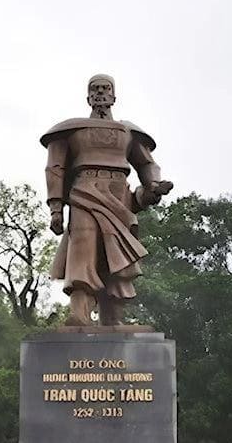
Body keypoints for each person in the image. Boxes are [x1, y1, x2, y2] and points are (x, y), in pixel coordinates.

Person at [41, 73, 173, 326]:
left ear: (114, 96)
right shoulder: (71, 129)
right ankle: (79, 313)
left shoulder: (128, 131)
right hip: (84, 192)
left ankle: (112, 317)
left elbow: (147, 164)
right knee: (83, 250)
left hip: (119, 196)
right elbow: (55, 168)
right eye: (95, 89)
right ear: (88, 97)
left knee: (115, 255)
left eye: (105, 88)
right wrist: (56, 208)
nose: (100, 93)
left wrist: (154, 186)